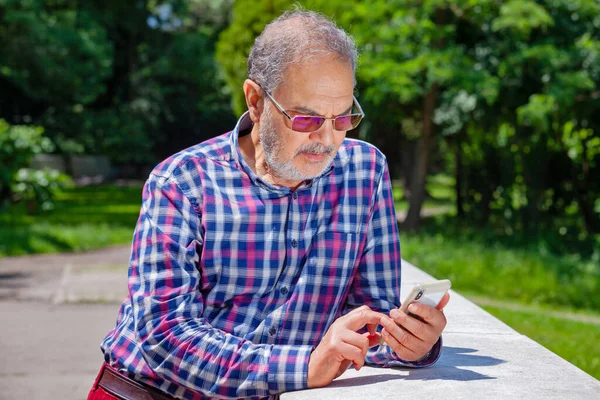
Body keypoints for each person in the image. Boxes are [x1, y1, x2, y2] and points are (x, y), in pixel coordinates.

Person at [88, 9, 449, 400]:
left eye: (343, 117)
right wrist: (304, 367)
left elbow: (369, 320)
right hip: (149, 392)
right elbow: (165, 336)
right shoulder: (181, 183)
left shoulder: (365, 172)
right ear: (256, 100)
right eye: (306, 119)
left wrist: (410, 343)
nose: (327, 139)